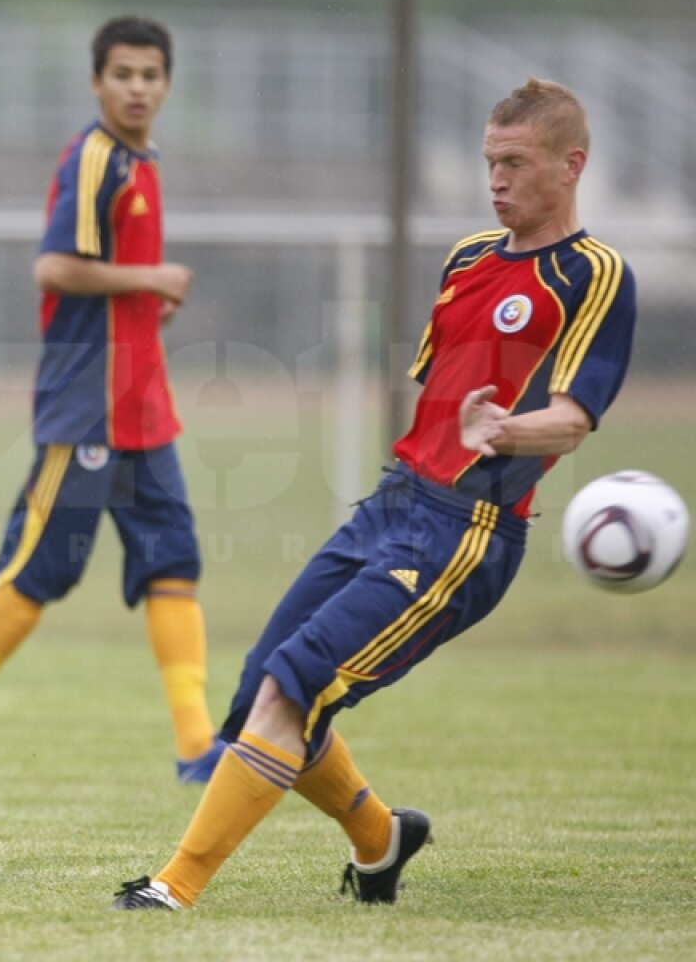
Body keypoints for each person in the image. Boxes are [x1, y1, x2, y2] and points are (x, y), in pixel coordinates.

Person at [112, 78, 637, 910]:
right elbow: (438, 390)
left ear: (571, 166)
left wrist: (506, 431)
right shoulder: (468, 258)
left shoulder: (593, 274)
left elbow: (573, 419)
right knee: (262, 690)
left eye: (515, 163)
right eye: (488, 162)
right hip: (395, 504)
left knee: (297, 685)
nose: (495, 180)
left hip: (467, 529)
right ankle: (381, 841)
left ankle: (174, 887)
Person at [0, 16, 224, 785]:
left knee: (173, 565)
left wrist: (150, 304)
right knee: (41, 569)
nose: (138, 87)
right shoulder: (96, 159)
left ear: (167, 83)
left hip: (144, 408)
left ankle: (196, 749)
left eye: (151, 74)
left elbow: (107, 283)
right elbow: (54, 267)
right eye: (123, 74)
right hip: (88, 405)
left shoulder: (141, 163)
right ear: (96, 82)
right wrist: (151, 281)